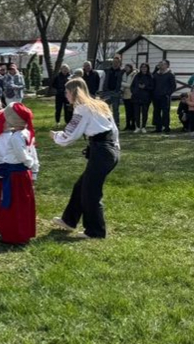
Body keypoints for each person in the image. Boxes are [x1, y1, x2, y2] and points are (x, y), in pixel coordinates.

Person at [51, 77, 119, 239]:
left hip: (102, 152)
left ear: (74, 92)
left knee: (91, 192)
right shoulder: (100, 105)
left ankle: (95, 231)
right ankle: (69, 220)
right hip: (109, 150)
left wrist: (56, 136)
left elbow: (71, 134)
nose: (66, 95)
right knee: (81, 186)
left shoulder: (82, 109)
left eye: (67, 92)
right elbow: (114, 130)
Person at [0, 102, 39, 245]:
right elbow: (32, 153)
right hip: (20, 173)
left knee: (13, 204)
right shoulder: (26, 133)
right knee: (22, 203)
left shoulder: (16, 137)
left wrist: (29, 164)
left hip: (16, 174)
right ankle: (22, 232)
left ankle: (15, 235)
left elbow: (23, 155)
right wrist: (33, 171)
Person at [151, 61, 177, 133]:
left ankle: (166, 127)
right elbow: (152, 84)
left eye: (163, 64)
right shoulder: (156, 74)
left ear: (167, 65)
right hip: (156, 96)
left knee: (165, 112)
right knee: (156, 112)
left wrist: (167, 93)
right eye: (160, 64)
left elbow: (173, 86)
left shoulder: (170, 74)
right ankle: (158, 127)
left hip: (165, 97)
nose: (161, 65)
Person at [101, 55, 124, 127]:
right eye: (114, 62)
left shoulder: (121, 72)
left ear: (119, 63)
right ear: (112, 63)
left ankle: (116, 124)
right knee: (105, 108)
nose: (115, 63)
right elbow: (102, 80)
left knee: (115, 110)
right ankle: (106, 123)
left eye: (117, 62)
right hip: (106, 92)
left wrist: (120, 90)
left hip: (116, 92)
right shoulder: (107, 70)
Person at [131, 63, 154, 133]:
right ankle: (137, 127)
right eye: (142, 67)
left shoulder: (150, 76)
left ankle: (143, 127)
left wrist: (145, 87)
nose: (144, 69)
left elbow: (152, 87)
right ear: (140, 68)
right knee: (136, 113)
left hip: (146, 97)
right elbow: (132, 86)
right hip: (136, 97)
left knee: (145, 112)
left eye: (145, 67)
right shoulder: (137, 76)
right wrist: (134, 92)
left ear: (147, 68)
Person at [120, 63, 136, 132]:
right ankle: (127, 124)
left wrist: (121, 84)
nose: (126, 69)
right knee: (127, 111)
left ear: (131, 68)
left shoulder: (133, 74)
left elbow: (130, 85)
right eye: (125, 67)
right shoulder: (124, 74)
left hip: (131, 95)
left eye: (128, 67)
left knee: (132, 111)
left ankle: (133, 125)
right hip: (125, 95)